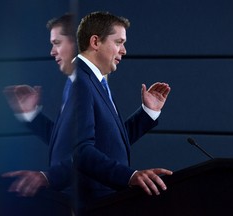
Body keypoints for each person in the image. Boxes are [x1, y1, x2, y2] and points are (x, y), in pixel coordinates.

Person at [69, 11, 173, 211]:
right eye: (118, 42)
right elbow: (80, 151)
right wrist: (130, 176)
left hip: (107, 201)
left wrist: (147, 113)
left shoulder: (94, 80)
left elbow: (106, 142)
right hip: (95, 203)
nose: (124, 50)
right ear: (95, 42)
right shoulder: (79, 82)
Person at [2, 14, 76, 200]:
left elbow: (94, 153)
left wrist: (48, 177)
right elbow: (67, 143)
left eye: (57, 42)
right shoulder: (72, 84)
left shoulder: (86, 87)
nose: (52, 52)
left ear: (77, 42)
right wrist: (31, 114)